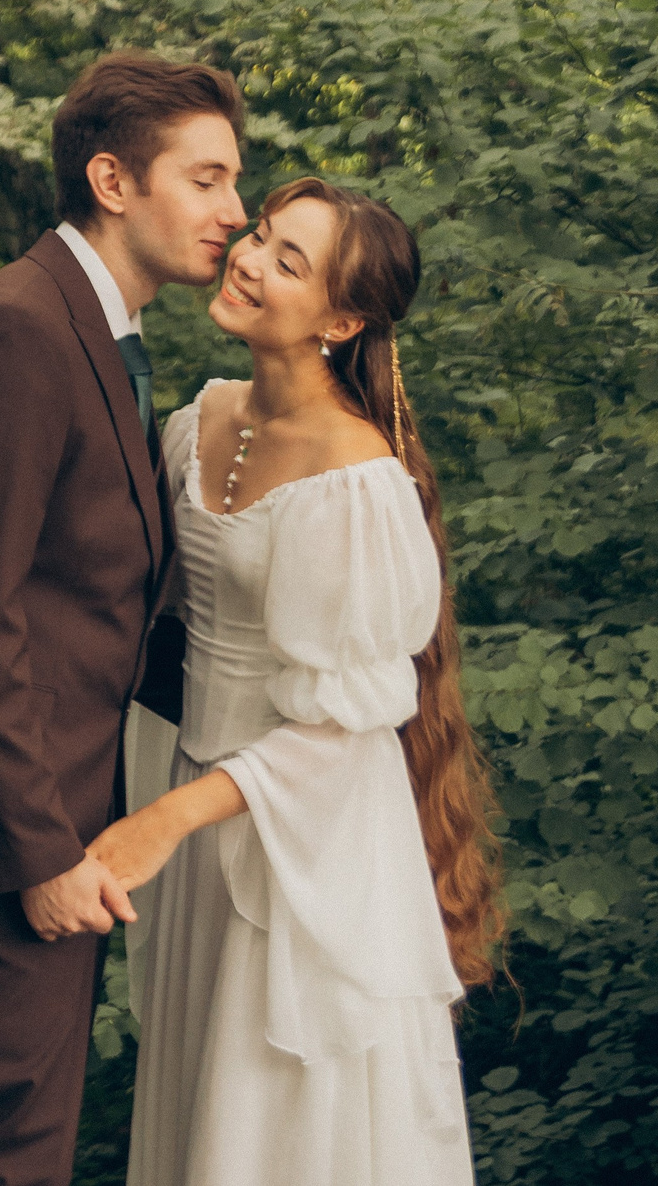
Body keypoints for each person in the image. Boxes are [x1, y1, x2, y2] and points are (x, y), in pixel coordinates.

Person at [0, 53, 247, 1186]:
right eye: (206, 179)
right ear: (113, 181)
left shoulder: (98, 329)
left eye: (233, 181)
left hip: (54, 799)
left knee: (21, 1147)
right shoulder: (15, 331)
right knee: (6, 1158)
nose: (234, 211)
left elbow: (97, 595)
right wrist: (40, 852)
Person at [89, 176, 504, 1186]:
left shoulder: (355, 480)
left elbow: (345, 727)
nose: (248, 259)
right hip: (190, 815)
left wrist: (165, 820)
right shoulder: (199, 419)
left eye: (289, 260)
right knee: (197, 1109)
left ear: (342, 320)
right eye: (261, 235)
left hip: (301, 840)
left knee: (274, 1127)